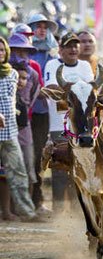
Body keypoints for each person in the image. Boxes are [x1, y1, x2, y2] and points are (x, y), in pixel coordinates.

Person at [44, 33, 94, 213]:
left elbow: (89, 90)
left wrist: (69, 90)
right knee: (59, 167)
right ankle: (57, 209)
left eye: (75, 46)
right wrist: (76, 90)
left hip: (82, 127)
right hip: (59, 125)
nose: (73, 49)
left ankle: (77, 208)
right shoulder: (52, 65)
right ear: (61, 50)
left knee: (81, 166)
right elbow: (50, 88)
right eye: (69, 46)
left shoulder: (85, 65)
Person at [0, 37, 40, 222]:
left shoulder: (12, 74)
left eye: (2, 50)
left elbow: (11, 100)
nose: (0, 53)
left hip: (10, 132)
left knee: (19, 172)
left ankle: (27, 211)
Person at [27, 13, 58, 215]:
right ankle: (28, 200)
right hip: (28, 113)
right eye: (38, 26)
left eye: (45, 27)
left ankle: (40, 200)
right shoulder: (25, 53)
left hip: (47, 114)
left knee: (44, 155)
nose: (42, 30)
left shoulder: (53, 56)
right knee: (29, 155)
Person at [8, 34, 40, 195]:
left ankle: (28, 207)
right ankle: (7, 209)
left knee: (28, 163)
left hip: (23, 126)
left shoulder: (33, 74)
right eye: (16, 50)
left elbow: (33, 97)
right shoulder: (3, 72)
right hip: (4, 125)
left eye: (24, 51)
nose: (20, 54)